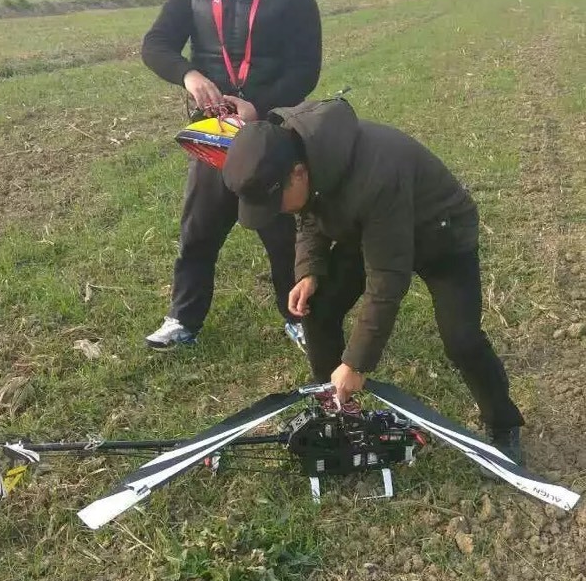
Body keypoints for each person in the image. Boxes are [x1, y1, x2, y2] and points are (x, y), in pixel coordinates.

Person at [221, 97, 524, 461]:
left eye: (275, 202)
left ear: (298, 173)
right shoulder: (299, 154)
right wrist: (309, 271)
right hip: (367, 229)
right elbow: (308, 213)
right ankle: (334, 410)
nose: (278, 213)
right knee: (316, 307)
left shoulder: (375, 172)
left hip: (440, 234)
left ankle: (503, 425)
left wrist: (357, 363)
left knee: (462, 340)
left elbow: (386, 281)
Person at [140, 0, 322, 350]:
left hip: (271, 133)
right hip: (214, 134)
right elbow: (155, 44)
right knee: (198, 229)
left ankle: (299, 318)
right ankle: (184, 320)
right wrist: (189, 74)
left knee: (281, 233)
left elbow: (306, 68)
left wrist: (257, 105)